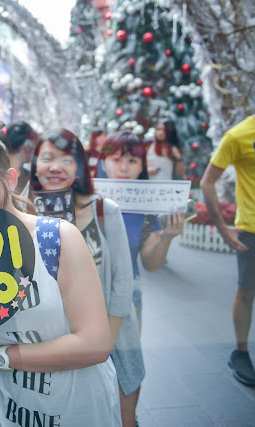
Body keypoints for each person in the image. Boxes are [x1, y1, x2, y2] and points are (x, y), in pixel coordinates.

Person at [0, 135, 121, 426]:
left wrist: (0, 357)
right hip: (7, 415)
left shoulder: (57, 238)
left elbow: (96, 344)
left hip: (81, 413)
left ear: (9, 179)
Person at [30, 129, 136, 426]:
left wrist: (103, 345)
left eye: (67, 159)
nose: (55, 167)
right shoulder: (19, 211)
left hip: (99, 343)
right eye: (47, 158)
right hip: (41, 342)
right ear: (34, 162)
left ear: (80, 167)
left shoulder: (104, 210)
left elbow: (122, 284)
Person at [99, 131, 185, 424]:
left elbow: (150, 263)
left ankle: (128, 420)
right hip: (84, 294)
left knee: (129, 366)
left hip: (128, 297)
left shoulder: (147, 207)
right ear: (102, 162)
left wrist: (167, 238)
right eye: (115, 159)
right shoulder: (86, 200)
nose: (123, 167)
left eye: (132, 160)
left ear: (142, 166)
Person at [200, 115, 255, 387]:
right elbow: (207, 182)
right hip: (252, 230)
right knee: (246, 292)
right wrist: (222, 226)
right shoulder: (239, 136)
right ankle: (241, 352)